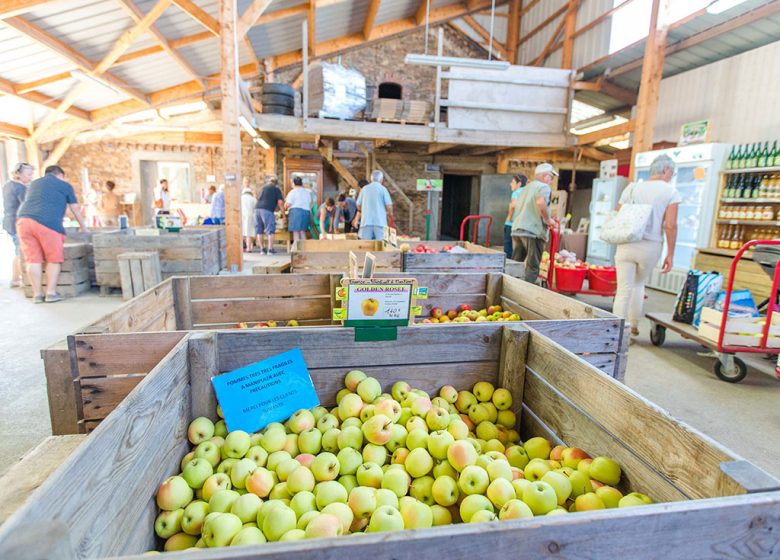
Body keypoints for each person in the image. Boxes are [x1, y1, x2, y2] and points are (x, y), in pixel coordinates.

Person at [613, 154, 680, 338]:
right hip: (650, 245)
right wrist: (670, 254)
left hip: (626, 243)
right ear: (666, 170)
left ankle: (615, 332)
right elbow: (670, 225)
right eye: (671, 172)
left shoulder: (632, 188)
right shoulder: (670, 192)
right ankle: (633, 326)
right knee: (638, 284)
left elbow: (619, 214)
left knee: (623, 288)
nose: (671, 176)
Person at [16, 165, 88, 303]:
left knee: (33, 259)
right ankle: (51, 293)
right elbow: (75, 209)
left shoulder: (34, 184)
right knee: (54, 258)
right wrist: (84, 227)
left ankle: (37, 295)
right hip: (48, 223)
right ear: (60, 175)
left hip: (24, 221)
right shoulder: (64, 185)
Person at [511, 163, 556, 283]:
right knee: (532, 266)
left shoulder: (526, 188)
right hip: (533, 231)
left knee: (516, 265)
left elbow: (514, 205)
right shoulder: (543, 187)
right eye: (551, 177)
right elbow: (541, 202)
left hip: (517, 229)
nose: (551, 181)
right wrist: (548, 219)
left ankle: (510, 292)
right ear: (545, 176)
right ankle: (527, 297)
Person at [3, 162, 33, 288]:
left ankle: (16, 278)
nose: (30, 177)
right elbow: (26, 206)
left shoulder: (8, 185)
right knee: (20, 251)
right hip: (16, 222)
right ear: (18, 174)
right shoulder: (20, 188)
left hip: (9, 220)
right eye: (28, 174)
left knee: (18, 249)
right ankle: (20, 279)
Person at [354, 170, 393, 240]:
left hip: (366, 222)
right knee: (380, 246)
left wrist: (364, 210)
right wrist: (389, 214)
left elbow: (358, 204)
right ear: (381, 179)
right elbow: (389, 206)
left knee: (365, 246)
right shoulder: (383, 189)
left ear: (371, 179)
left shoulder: (364, 189)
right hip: (380, 222)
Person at [255, 176, 285, 254]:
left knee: (259, 230)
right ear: (276, 183)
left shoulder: (263, 188)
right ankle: (270, 249)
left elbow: (257, 197)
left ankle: (262, 249)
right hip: (267, 210)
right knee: (270, 230)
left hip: (257, 209)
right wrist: (284, 215)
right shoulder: (276, 189)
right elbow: (280, 203)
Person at [503, 174, 527, 259]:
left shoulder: (516, 192)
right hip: (522, 225)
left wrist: (509, 217)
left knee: (508, 248)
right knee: (519, 250)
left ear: (519, 183)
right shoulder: (527, 192)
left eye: (513, 182)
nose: (510, 184)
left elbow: (513, 205)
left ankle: (507, 267)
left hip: (511, 224)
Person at [285, 176, 312, 242]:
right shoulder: (307, 192)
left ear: (293, 183)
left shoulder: (292, 192)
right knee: (302, 231)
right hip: (306, 212)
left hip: (296, 212)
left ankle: (297, 250)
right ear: (301, 183)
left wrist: (285, 205)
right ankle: (304, 250)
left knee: (296, 231)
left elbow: (288, 204)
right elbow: (310, 203)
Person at [240, 180, 256, 253]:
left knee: (242, 232)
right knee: (249, 232)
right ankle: (249, 248)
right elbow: (256, 207)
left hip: (242, 215)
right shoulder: (253, 199)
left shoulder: (240, 198)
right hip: (250, 215)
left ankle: (242, 247)